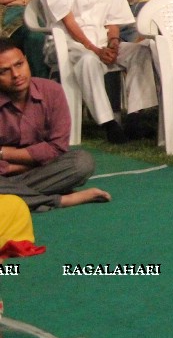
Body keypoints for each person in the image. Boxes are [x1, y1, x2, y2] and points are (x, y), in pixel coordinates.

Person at [37, 0, 158, 144]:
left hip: (103, 43)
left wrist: (113, 43)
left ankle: (134, 118)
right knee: (88, 60)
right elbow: (68, 22)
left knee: (141, 51)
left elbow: (113, 20)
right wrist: (94, 49)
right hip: (67, 45)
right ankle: (108, 123)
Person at [0, 40, 110, 211]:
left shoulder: (52, 91)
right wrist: (34, 160)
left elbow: (57, 149)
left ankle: (19, 197)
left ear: (27, 61)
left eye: (19, 64)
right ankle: (61, 200)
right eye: (4, 71)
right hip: (13, 176)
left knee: (82, 162)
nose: (16, 74)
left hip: (42, 171)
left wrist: (4, 152)